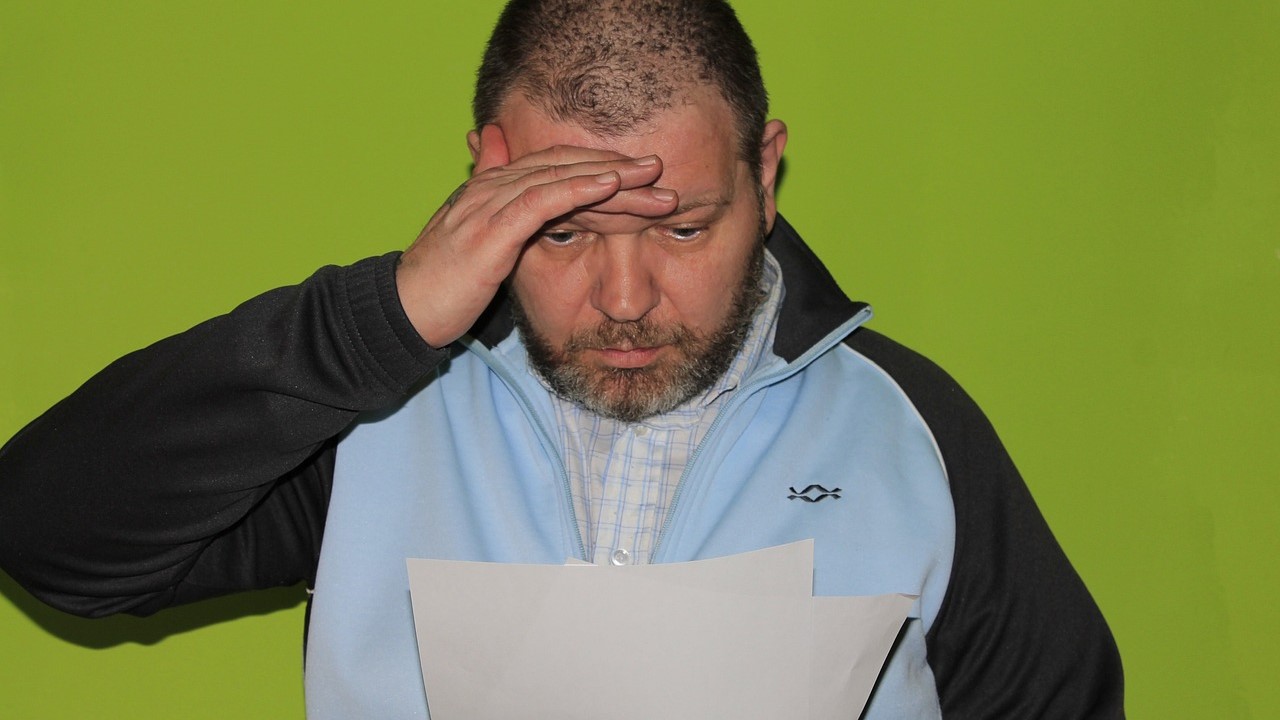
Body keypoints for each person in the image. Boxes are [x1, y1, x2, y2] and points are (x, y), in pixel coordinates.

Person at [0, 0, 1123, 717]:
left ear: (765, 173)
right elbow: (50, 540)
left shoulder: (906, 429)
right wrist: (381, 321)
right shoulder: (376, 417)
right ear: (487, 175)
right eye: (564, 232)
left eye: (684, 228)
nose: (624, 301)